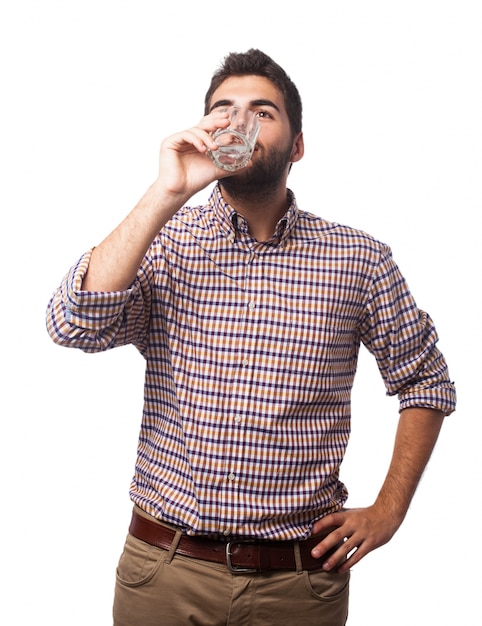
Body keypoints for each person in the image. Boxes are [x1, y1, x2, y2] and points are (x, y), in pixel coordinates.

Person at [46, 49, 456, 626]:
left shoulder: (358, 258)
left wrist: (390, 510)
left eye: (262, 112)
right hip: (165, 571)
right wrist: (166, 193)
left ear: (298, 144)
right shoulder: (165, 242)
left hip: (299, 581)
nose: (239, 124)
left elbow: (426, 381)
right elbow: (73, 324)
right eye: (223, 111)